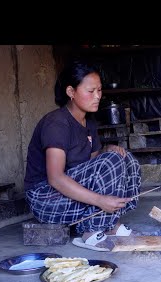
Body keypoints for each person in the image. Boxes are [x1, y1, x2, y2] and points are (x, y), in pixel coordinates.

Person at [24, 60, 141, 251]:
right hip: (45, 199)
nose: (97, 96)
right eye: (91, 91)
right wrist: (99, 200)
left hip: (68, 195)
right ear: (71, 92)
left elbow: (94, 166)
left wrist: (107, 150)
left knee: (125, 159)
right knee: (111, 162)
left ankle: (109, 223)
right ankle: (92, 230)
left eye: (100, 90)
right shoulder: (57, 123)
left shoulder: (89, 123)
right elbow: (55, 178)